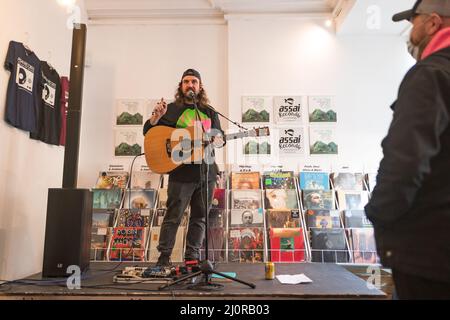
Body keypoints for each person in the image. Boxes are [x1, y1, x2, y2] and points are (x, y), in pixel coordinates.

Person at [365, 0, 450, 299]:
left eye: (413, 23)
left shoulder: (430, 74)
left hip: (429, 255)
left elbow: (405, 162)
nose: (410, 33)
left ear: (433, 23)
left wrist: (377, 215)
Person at [143, 69, 224, 266]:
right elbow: (148, 131)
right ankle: (163, 258)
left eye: (194, 81)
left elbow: (220, 138)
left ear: (200, 86)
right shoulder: (170, 109)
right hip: (180, 173)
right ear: (181, 86)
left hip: (206, 173)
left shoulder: (209, 111)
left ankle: (192, 259)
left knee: (200, 218)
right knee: (173, 216)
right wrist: (156, 117)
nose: (190, 85)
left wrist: (217, 138)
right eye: (186, 81)